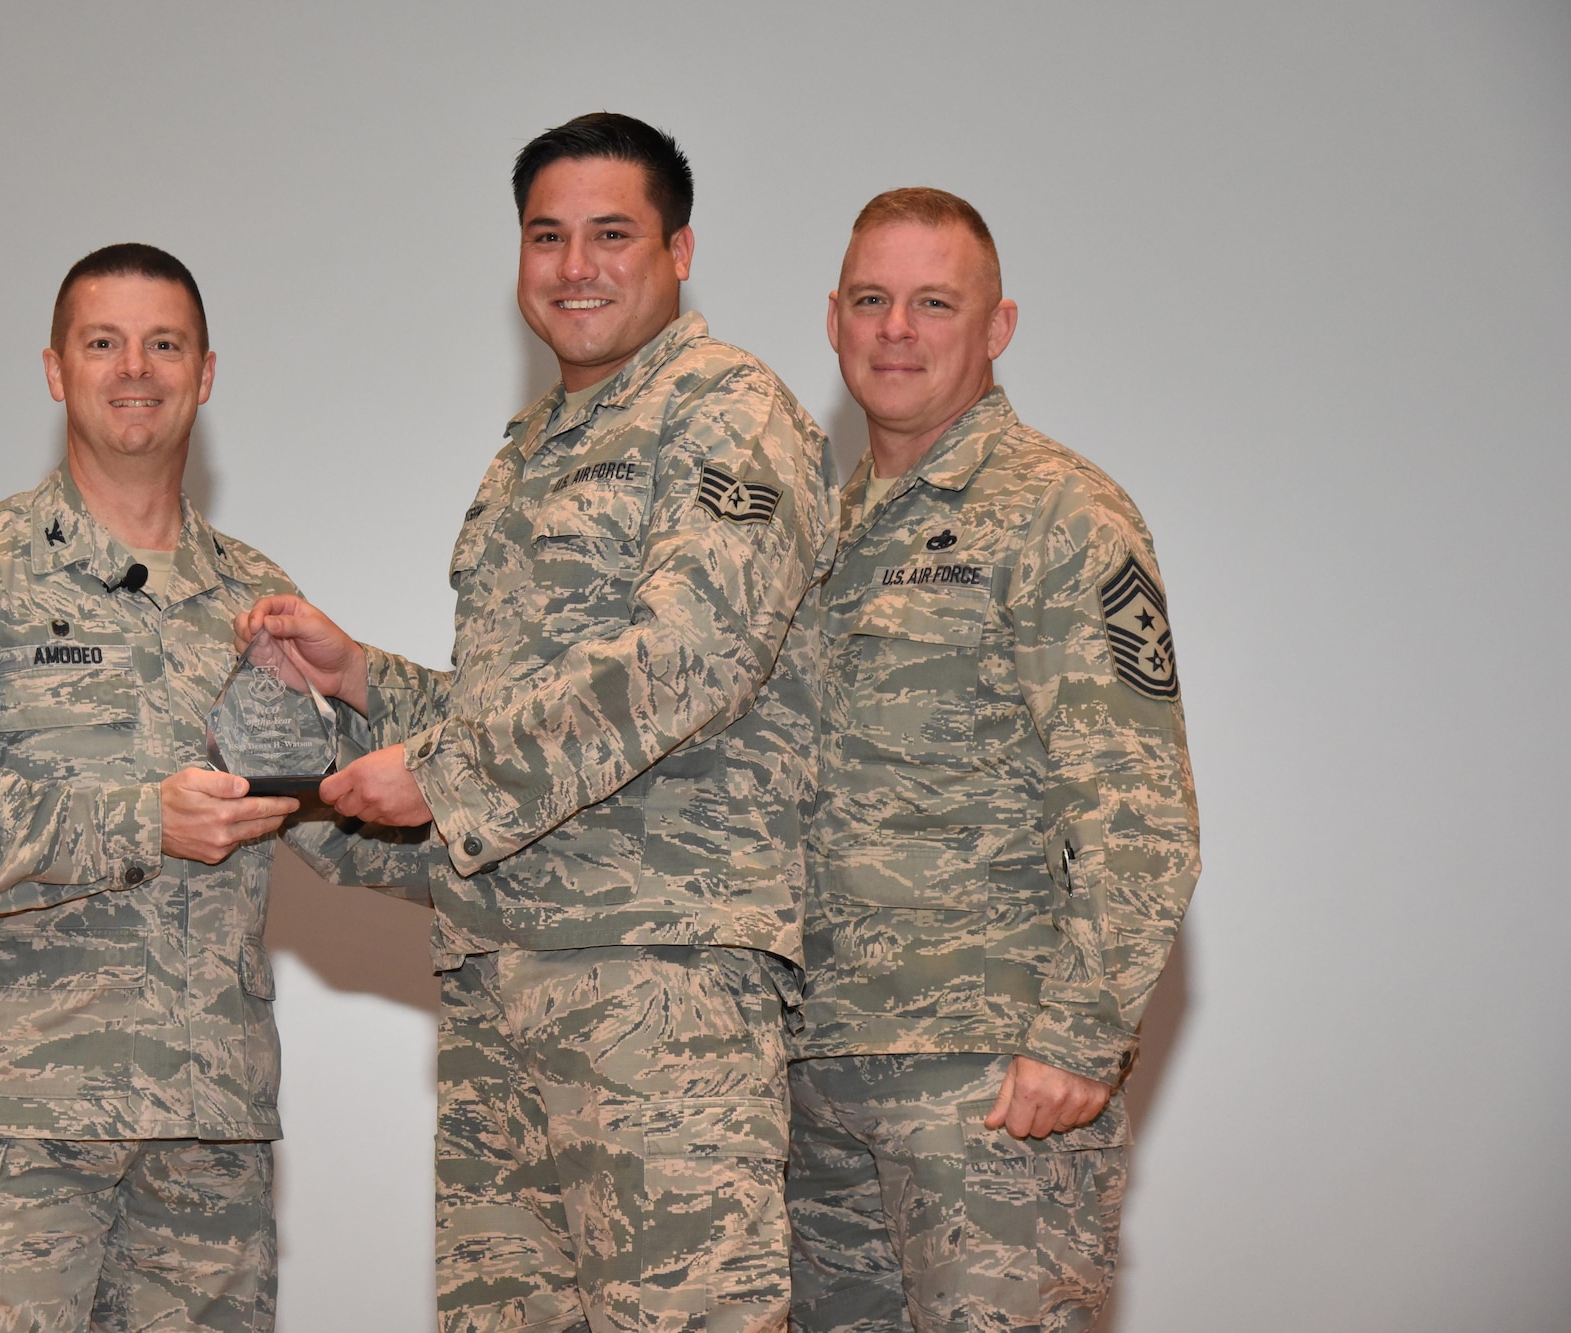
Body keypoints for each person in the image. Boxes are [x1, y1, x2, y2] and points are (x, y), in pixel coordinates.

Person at [245, 113, 838, 1333]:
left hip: (657, 979)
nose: (574, 266)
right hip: (497, 980)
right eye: (545, 236)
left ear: (678, 251)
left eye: (610, 234)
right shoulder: (530, 451)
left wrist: (444, 768)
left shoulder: (724, 408)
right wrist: (364, 679)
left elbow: (690, 653)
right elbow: (509, 711)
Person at [0, 244, 316, 1332]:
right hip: (13, 1133)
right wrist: (140, 821)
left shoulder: (257, 598)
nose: (134, 368)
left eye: (165, 344)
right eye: (103, 343)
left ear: (205, 374)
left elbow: (326, 814)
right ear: (56, 370)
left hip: (206, 1142)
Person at [787, 188, 1201, 1332]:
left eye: (933, 303)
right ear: (831, 319)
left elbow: (1138, 809)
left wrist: (1076, 1040)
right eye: (869, 301)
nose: (895, 330)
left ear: (996, 326)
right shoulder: (812, 536)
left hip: (989, 1088)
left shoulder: (1061, 513)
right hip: (815, 1087)